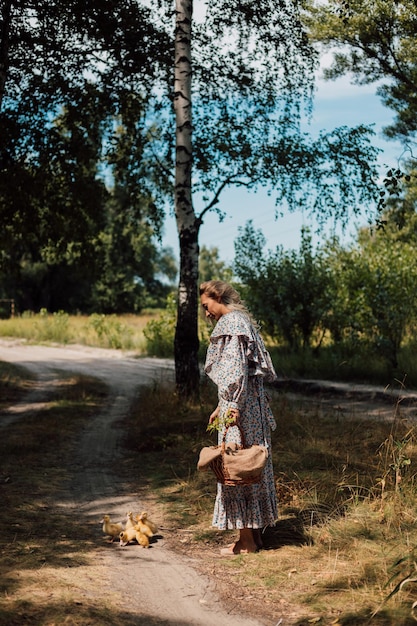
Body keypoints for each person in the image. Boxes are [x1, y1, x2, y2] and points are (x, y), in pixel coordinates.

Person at [199, 280, 278, 555]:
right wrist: (222, 405)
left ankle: (245, 543)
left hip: (240, 411)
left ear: (218, 297)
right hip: (249, 407)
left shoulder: (230, 325)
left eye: (206, 305)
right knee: (251, 466)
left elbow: (233, 372)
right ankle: (254, 538)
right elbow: (244, 372)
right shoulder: (243, 322)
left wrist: (229, 405)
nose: (206, 313)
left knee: (237, 467)